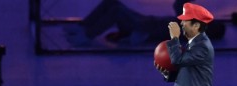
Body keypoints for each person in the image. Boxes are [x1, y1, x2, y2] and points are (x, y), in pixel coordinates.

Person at [63, 0, 225, 47]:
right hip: (147, 22)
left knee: (116, 11)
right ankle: (83, 26)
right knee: (112, 3)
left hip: (145, 27)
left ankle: (86, 35)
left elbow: (179, 7)